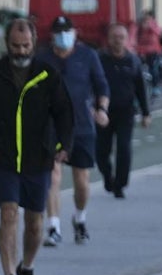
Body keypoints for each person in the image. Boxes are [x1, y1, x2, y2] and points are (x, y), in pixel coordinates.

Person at [0, 18, 74, 275]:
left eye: (25, 45)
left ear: (34, 42)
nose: (20, 50)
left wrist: (64, 145)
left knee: (35, 222)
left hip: (38, 157)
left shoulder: (47, 74)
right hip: (4, 158)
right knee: (8, 214)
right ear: (7, 44)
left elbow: (65, 112)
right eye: (15, 46)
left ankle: (26, 267)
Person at [36, 15, 109, 246]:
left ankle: (79, 218)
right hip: (52, 127)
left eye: (67, 31)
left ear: (75, 33)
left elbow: (101, 86)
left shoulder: (88, 56)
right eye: (59, 32)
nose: (63, 36)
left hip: (81, 127)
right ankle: (53, 227)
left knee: (82, 181)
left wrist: (102, 109)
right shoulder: (42, 58)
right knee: (53, 176)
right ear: (52, 35)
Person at [95, 23, 151, 199]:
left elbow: (141, 88)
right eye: (114, 37)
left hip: (126, 111)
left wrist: (146, 113)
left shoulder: (133, 61)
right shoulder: (100, 59)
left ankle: (120, 184)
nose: (118, 41)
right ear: (109, 39)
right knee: (101, 151)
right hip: (103, 111)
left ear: (126, 40)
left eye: (121, 37)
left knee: (124, 148)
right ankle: (107, 176)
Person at [136, 9, 162, 96]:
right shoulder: (140, 25)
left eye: (147, 16)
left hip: (153, 51)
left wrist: (150, 25)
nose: (145, 18)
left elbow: (159, 33)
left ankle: (155, 87)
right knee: (138, 69)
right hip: (141, 51)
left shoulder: (154, 24)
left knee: (153, 69)